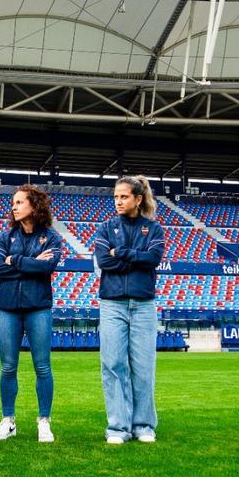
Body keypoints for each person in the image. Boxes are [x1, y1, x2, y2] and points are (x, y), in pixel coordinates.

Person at [93, 176, 165, 445]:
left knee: (143, 366)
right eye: (116, 197)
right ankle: (118, 427)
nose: (119, 201)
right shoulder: (105, 228)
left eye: (124, 196)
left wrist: (120, 253)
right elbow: (103, 261)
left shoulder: (154, 229)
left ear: (138, 199)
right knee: (113, 364)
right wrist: (133, 256)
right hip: (112, 304)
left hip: (143, 305)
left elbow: (153, 259)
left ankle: (144, 425)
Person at [0, 184, 65, 443]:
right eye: (14, 202)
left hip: (38, 309)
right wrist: (31, 264)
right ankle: (8, 420)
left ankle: (44, 421)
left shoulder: (52, 238)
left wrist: (15, 260)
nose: (14, 206)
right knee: (8, 367)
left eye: (20, 202)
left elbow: (48, 267)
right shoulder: (5, 237)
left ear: (34, 205)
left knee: (42, 367)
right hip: (8, 309)